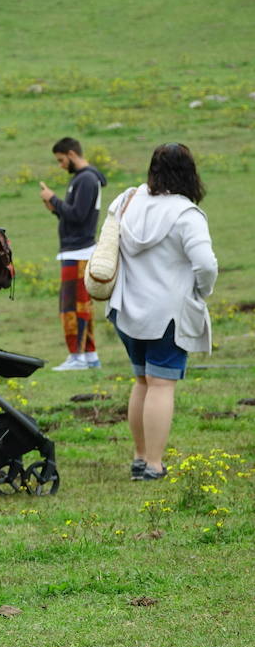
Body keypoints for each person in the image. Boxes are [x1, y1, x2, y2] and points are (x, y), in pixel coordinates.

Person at [108, 143, 217, 482]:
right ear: (189, 173)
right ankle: (154, 464)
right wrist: (201, 291)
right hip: (168, 312)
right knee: (161, 384)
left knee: (142, 380)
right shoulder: (186, 214)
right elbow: (206, 264)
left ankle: (140, 457)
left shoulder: (128, 200)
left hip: (127, 307)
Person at [39, 137, 107, 371]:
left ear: (71, 154)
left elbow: (78, 216)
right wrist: (55, 208)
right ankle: (89, 355)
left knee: (73, 307)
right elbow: (74, 216)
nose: (60, 165)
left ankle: (76, 356)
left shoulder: (86, 179)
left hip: (79, 251)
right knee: (81, 305)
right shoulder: (82, 179)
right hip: (76, 249)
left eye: (61, 160)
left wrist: (53, 199)